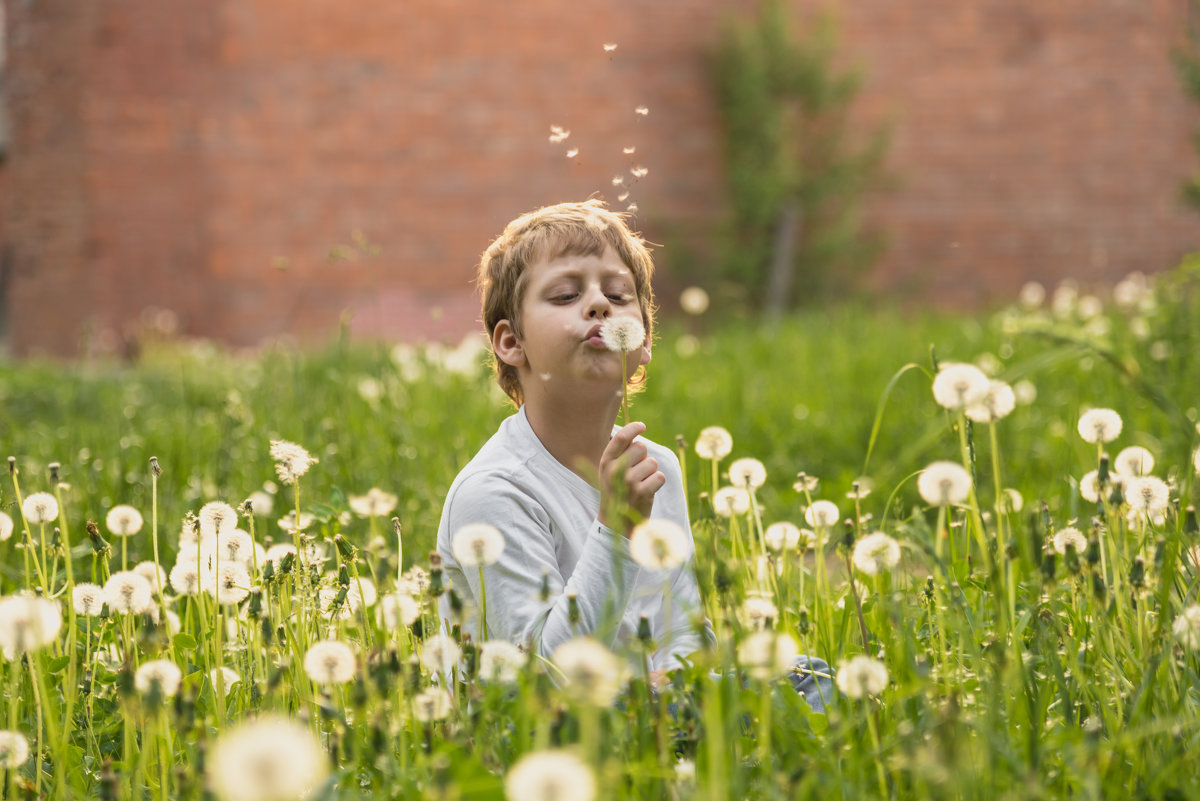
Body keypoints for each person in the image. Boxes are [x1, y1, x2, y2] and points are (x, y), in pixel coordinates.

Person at [435, 200, 831, 710]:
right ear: (512, 342)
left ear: (643, 343)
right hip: (550, 734)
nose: (599, 304)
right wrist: (615, 527)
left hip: (655, 709)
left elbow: (681, 633)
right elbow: (545, 680)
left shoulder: (655, 468)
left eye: (618, 295)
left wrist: (686, 691)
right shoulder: (494, 491)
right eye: (565, 294)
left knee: (809, 677)